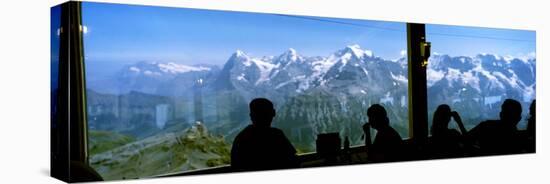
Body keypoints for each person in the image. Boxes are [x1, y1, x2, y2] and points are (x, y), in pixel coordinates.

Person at [231, 98, 298, 171]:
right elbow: (293, 160)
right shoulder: (277, 135)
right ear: (273, 113)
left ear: (251, 116)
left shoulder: (242, 138)